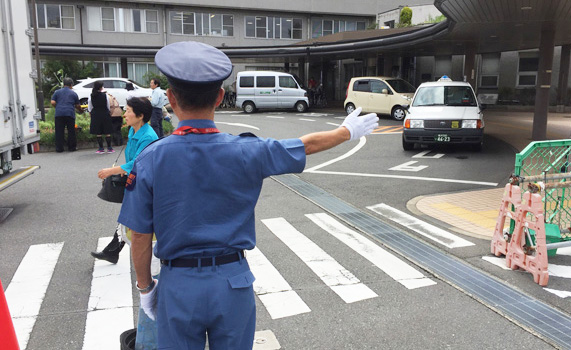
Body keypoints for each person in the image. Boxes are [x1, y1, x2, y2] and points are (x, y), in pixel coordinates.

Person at [118, 41, 378, 350]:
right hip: (233, 283)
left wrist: (146, 289)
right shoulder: (247, 150)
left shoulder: (151, 158)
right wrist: (345, 132)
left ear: (171, 99)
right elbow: (302, 145)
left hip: (179, 285)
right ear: (218, 97)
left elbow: (141, 235)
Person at [92, 97, 159, 264]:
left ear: (140, 115)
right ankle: (113, 250)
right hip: (136, 180)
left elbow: (138, 161)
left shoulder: (148, 136)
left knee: (138, 217)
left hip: (147, 184)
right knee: (131, 216)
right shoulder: (133, 130)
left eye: (128, 111)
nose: (125, 114)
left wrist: (112, 171)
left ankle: (114, 251)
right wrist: (123, 171)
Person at [51, 77, 82, 152]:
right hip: (69, 113)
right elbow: (77, 105)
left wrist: (57, 107)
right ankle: (71, 148)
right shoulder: (73, 93)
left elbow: (52, 102)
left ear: (63, 84)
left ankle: (59, 148)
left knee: (59, 131)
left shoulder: (57, 92)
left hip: (59, 114)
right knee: (71, 131)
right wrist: (81, 110)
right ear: (71, 85)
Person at [88, 81, 114, 154]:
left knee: (98, 132)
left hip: (96, 114)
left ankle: (101, 148)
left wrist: (91, 112)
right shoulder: (105, 95)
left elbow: (90, 107)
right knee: (107, 131)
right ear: (100, 87)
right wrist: (108, 111)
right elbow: (108, 105)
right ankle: (109, 148)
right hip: (105, 113)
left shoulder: (91, 96)